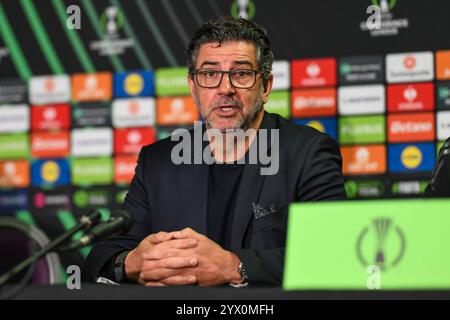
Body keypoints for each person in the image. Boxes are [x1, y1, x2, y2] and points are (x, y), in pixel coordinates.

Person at [85, 16, 346, 287]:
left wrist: (235, 266)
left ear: (265, 87)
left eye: (241, 73)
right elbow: (102, 256)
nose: (225, 89)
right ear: (192, 86)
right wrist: (132, 263)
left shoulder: (308, 152)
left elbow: (331, 255)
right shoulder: (158, 160)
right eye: (210, 74)